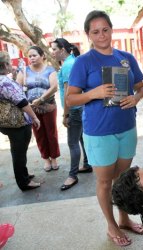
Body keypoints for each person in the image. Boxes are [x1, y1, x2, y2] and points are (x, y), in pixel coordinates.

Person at [66, 10, 143, 247]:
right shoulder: (83, 62)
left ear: (111, 29)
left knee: (122, 179)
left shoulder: (126, 58)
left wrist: (136, 98)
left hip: (127, 127)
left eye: (105, 29)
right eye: (95, 31)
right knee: (104, 183)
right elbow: (70, 99)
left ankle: (123, 219)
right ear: (88, 35)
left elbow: (141, 87)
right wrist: (94, 93)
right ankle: (111, 225)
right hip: (99, 132)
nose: (101, 35)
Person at [50, 38, 92, 191]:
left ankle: (72, 175)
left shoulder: (68, 65)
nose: (52, 52)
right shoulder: (72, 61)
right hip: (78, 108)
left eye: (54, 49)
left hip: (74, 109)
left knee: (72, 142)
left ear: (62, 49)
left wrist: (65, 115)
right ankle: (87, 164)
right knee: (80, 138)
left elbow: (69, 92)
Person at [0, 51, 41, 191]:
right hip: (16, 123)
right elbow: (22, 102)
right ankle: (23, 182)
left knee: (18, 152)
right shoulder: (5, 82)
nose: (12, 65)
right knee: (19, 153)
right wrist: (34, 117)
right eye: (10, 62)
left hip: (6, 122)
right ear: (5, 65)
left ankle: (23, 174)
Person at [16, 46, 60, 172]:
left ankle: (54, 158)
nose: (32, 58)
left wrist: (41, 99)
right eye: (29, 56)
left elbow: (54, 87)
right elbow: (18, 88)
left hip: (49, 107)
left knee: (51, 133)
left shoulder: (50, 70)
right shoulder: (23, 70)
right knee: (39, 134)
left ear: (42, 56)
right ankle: (46, 159)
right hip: (31, 109)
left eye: (34, 55)